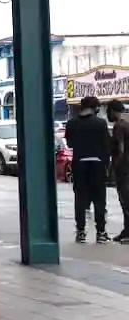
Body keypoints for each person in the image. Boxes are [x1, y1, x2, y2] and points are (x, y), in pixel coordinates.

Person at [66, 95, 112, 243]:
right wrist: (106, 164)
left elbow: (70, 143)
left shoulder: (72, 123)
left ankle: (81, 231)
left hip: (79, 163)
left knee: (80, 199)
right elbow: (106, 146)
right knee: (99, 199)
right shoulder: (100, 123)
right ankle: (101, 232)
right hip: (97, 164)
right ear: (95, 108)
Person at [108, 99, 129, 242]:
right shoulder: (127, 124)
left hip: (123, 169)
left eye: (108, 111)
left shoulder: (119, 126)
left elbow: (120, 148)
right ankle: (126, 231)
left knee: (125, 200)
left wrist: (114, 166)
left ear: (113, 111)